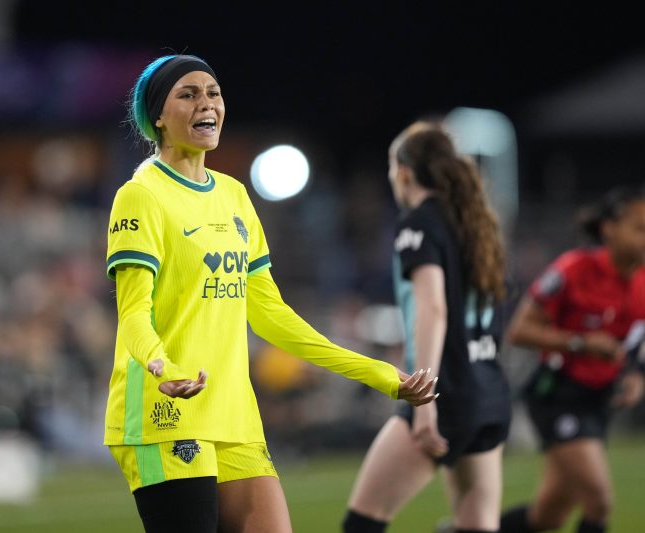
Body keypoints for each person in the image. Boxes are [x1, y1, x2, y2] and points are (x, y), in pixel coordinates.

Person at [104, 54, 437, 533]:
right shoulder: (141, 196)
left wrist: (376, 373)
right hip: (165, 413)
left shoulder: (234, 196)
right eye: (188, 94)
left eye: (213, 93)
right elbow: (133, 315)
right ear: (157, 115)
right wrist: (162, 367)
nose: (206, 103)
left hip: (232, 413)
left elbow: (270, 314)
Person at [343, 121, 511, 533]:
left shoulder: (418, 222)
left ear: (403, 172)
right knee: (477, 527)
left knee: (361, 524)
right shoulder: (476, 223)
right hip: (489, 392)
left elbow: (433, 308)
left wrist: (425, 400)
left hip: (446, 392)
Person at [499, 186, 645, 533]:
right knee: (598, 500)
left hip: (598, 400)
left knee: (548, 516)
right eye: (640, 228)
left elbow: (639, 337)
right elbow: (518, 331)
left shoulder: (641, 281)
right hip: (559, 394)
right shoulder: (574, 269)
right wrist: (580, 343)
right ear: (609, 228)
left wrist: (636, 374)